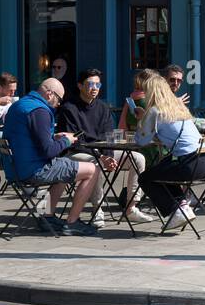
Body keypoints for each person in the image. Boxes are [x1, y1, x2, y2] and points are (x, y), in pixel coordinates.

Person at [2, 78, 103, 236]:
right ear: (49, 94)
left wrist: (55, 137)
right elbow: (49, 151)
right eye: (59, 99)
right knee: (92, 169)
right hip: (33, 170)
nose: (59, 104)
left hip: (16, 168)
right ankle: (73, 222)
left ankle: (47, 216)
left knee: (64, 168)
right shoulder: (40, 111)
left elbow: (31, 138)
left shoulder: (20, 105)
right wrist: (66, 140)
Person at [58, 68, 154, 226]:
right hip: (77, 153)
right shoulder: (69, 108)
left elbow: (108, 136)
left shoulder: (102, 108)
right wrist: (101, 157)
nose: (94, 88)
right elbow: (74, 141)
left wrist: (108, 155)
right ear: (80, 85)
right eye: (90, 84)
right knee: (93, 163)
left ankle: (131, 207)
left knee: (138, 158)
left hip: (101, 153)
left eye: (98, 84)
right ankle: (98, 209)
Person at [135, 75, 205, 230]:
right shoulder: (179, 107)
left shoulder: (154, 111)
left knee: (145, 178)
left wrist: (141, 119)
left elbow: (140, 141)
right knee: (162, 169)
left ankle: (176, 210)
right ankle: (182, 206)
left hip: (188, 165)